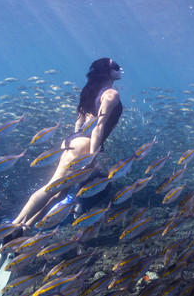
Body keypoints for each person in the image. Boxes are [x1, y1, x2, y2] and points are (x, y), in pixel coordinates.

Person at [11, 57, 123, 231]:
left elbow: (79, 123)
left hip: (75, 140)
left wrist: (77, 141)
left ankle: (26, 227)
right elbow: (98, 126)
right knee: (52, 187)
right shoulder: (111, 94)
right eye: (115, 67)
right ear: (107, 71)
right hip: (85, 145)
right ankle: (14, 226)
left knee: (60, 192)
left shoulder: (91, 91)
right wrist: (92, 156)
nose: (119, 69)